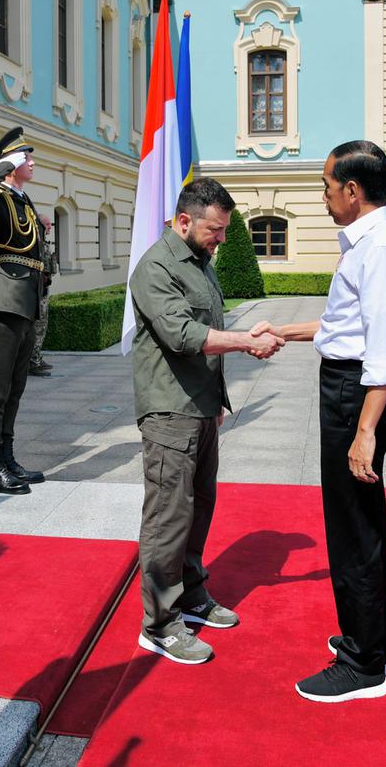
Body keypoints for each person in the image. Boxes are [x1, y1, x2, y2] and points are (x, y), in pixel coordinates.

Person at [251, 140, 386, 703]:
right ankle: (381, 643)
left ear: (352, 190)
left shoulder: (381, 249)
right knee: (361, 519)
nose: (322, 196)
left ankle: (363, 663)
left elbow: (385, 348)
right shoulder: (368, 244)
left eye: (326, 186)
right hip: (351, 386)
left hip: (359, 395)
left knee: (350, 527)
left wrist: (364, 432)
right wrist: (283, 331)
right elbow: (342, 323)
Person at [129, 177, 284, 665]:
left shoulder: (200, 262)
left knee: (198, 510)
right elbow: (181, 334)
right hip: (169, 409)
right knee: (167, 517)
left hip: (199, 406)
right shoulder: (155, 267)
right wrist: (245, 343)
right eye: (215, 230)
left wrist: (217, 398)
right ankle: (159, 623)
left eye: (223, 230)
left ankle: (191, 593)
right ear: (183, 221)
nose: (222, 239)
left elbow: (210, 327)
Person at [0, 127, 47, 495]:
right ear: (12, 162)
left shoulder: (21, 200)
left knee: (15, 388)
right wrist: (3, 166)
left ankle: (9, 458)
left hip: (26, 301)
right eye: (25, 157)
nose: (31, 162)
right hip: (4, 301)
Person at [28, 214, 57, 376]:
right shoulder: (35, 243)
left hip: (43, 291)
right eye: (47, 224)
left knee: (42, 326)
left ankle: (37, 357)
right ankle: (33, 362)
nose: (50, 227)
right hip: (37, 293)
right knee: (38, 327)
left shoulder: (42, 242)